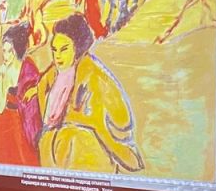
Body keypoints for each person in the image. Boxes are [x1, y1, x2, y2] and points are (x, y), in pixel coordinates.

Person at [34, 14, 143, 173]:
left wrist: (82, 123)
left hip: (91, 158)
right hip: (59, 160)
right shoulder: (52, 77)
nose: (57, 56)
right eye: (54, 49)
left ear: (77, 48)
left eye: (64, 49)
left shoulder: (95, 78)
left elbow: (111, 131)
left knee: (73, 137)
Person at [0, 23, 41, 165]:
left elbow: (33, 107)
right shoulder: (3, 70)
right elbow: (0, 108)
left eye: (10, 51)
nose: (6, 56)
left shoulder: (29, 69)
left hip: (23, 124)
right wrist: (2, 81)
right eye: (4, 51)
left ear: (17, 50)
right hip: (3, 121)